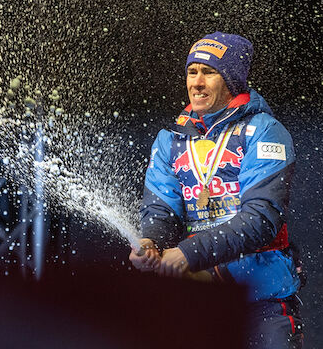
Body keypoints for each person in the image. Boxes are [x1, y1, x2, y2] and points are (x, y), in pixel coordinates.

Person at [129, 32, 304, 349]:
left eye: (208, 72)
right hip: (202, 299)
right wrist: (151, 242)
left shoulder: (263, 130)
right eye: (191, 72)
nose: (196, 82)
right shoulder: (170, 141)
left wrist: (186, 254)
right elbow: (161, 213)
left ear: (232, 80)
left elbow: (261, 219)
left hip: (261, 300)